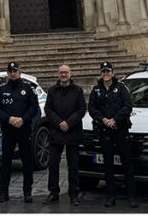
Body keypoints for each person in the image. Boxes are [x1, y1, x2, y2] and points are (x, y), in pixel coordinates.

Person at [87, 62, 137, 208]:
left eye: (108, 71)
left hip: (120, 130)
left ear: (113, 73)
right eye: (103, 71)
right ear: (101, 73)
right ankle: (110, 196)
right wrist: (103, 120)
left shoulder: (121, 88)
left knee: (127, 164)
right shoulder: (96, 90)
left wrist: (115, 119)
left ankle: (131, 197)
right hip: (105, 131)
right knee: (108, 165)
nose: (106, 74)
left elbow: (128, 106)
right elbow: (92, 108)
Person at [0, 62, 40, 203]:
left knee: (27, 161)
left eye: (15, 71)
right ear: (8, 73)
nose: (13, 73)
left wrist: (23, 119)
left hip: (24, 130)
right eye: (10, 71)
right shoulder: (1, 90)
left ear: (20, 72)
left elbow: (34, 108)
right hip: (8, 131)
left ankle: (27, 192)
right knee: (6, 162)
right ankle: (3, 192)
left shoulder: (28, 88)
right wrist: (9, 119)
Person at [43, 64, 86, 207]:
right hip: (56, 132)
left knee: (73, 165)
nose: (63, 75)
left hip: (73, 132)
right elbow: (48, 109)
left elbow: (81, 109)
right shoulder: (52, 91)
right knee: (53, 164)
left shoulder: (78, 90)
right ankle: (53, 193)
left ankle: (74, 193)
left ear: (70, 74)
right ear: (58, 74)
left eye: (66, 72)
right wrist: (59, 122)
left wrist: (68, 123)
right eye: (61, 72)